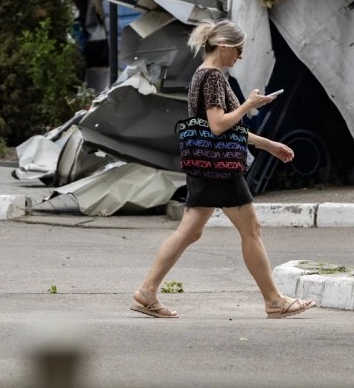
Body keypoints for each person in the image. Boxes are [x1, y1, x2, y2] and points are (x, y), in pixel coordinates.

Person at [131, 19, 316, 320]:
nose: (240, 56)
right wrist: (248, 105)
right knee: (250, 230)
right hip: (220, 168)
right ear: (224, 46)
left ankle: (147, 291)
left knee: (189, 231)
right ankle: (274, 300)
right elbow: (218, 126)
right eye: (238, 50)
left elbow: (222, 128)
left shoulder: (202, 74)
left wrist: (268, 144)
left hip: (206, 165)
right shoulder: (213, 78)